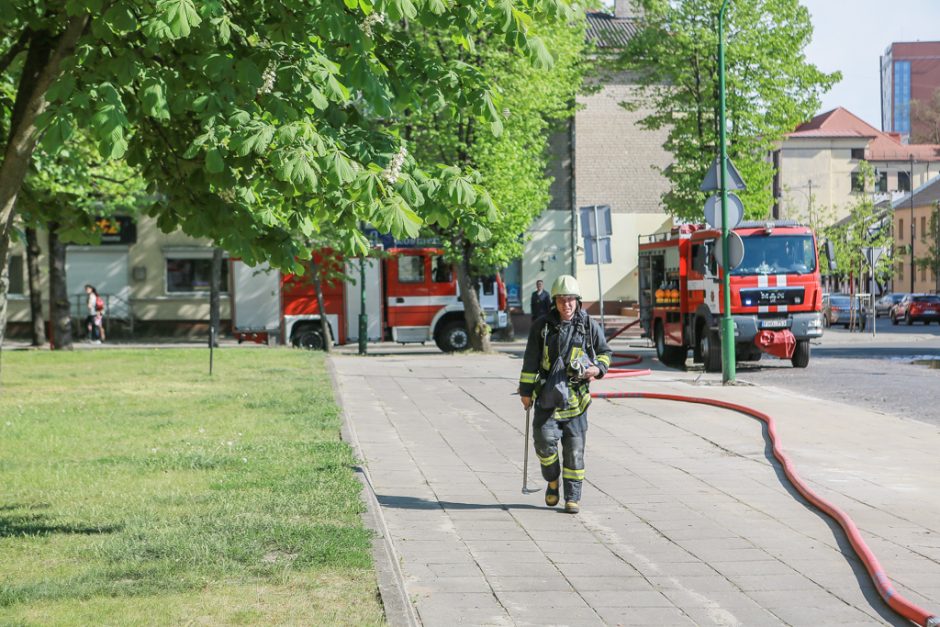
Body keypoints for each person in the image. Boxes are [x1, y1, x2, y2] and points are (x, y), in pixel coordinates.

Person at [518, 275, 612, 514]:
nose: (566, 305)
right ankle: (552, 480)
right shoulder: (542, 326)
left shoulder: (589, 325)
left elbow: (604, 352)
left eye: (570, 300)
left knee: (574, 450)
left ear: (578, 301)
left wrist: (597, 369)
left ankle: (572, 497)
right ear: (554, 301)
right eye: (561, 300)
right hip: (548, 396)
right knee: (543, 443)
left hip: (576, 398)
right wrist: (526, 391)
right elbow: (530, 360)